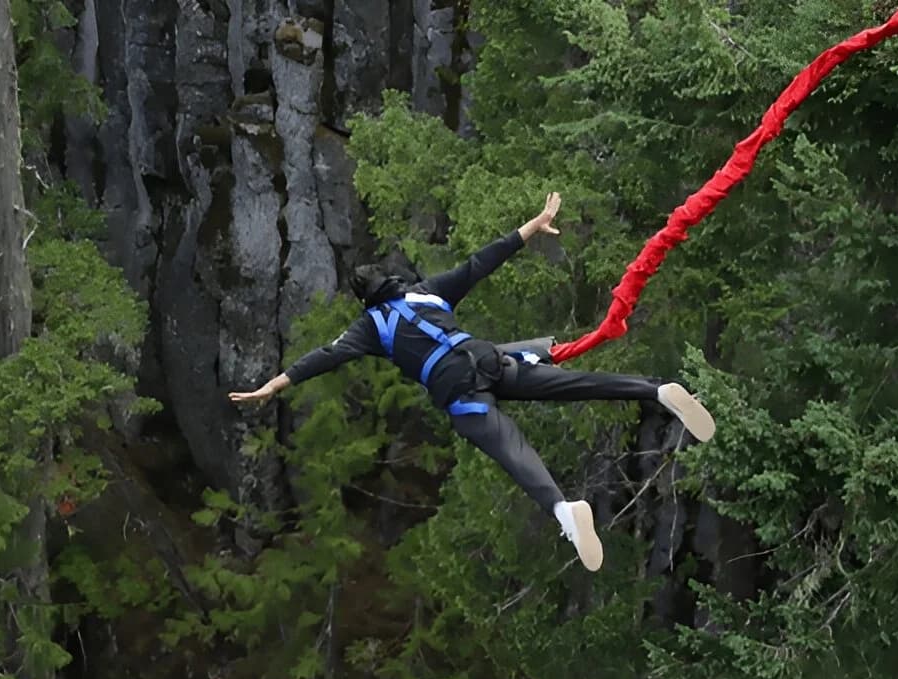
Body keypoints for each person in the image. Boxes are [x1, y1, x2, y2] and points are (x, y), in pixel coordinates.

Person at [229, 193, 715, 571]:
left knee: (513, 451)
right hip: (488, 358)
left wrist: (272, 386)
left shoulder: (370, 328)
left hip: (460, 390)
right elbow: (481, 262)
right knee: (579, 383)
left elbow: (324, 357)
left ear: (364, 300)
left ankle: (567, 511)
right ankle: (656, 390)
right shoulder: (425, 293)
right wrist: (532, 226)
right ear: (394, 280)